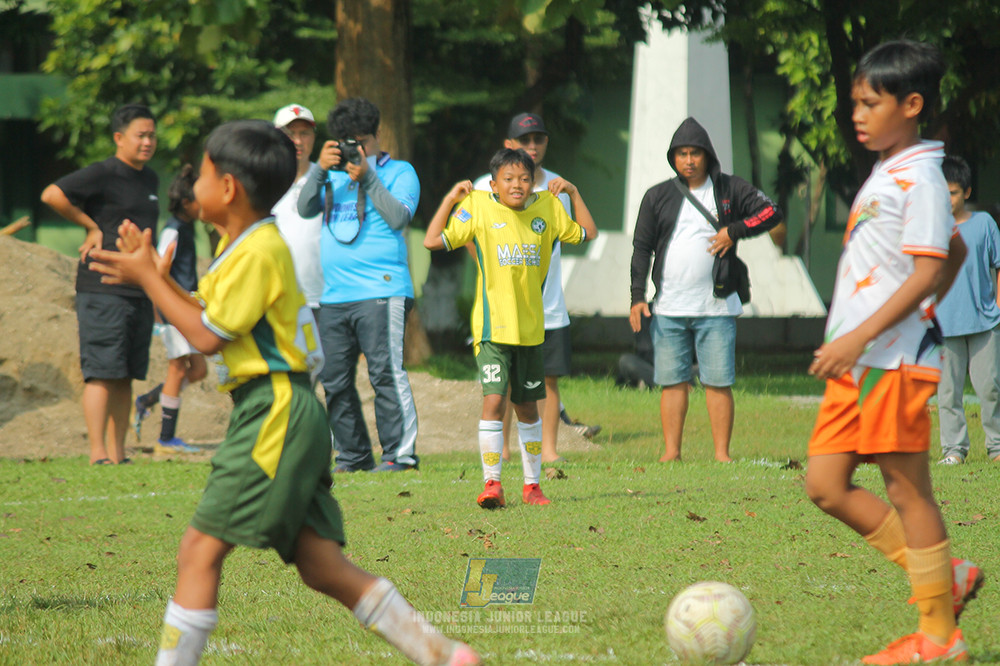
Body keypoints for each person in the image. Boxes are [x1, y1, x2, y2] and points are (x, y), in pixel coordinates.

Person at [88, 120, 480, 666]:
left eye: (201, 171)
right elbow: (208, 312)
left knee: (198, 550)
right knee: (322, 566)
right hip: (288, 409)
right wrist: (155, 277)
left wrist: (151, 282)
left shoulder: (257, 251)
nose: (192, 183)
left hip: (273, 411)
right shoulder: (242, 245)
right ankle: (443, 654)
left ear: (227, 188)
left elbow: (204, 337)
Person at [803, 40, 982, 664]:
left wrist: (862, 335)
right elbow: (950, 254)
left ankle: (939, 638)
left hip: (891, 365)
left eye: (870, 103)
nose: (857, 114)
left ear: (912, 104)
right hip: (860, 363)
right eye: (855, 102)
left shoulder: (923, 178)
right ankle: (946, 578)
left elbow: (930, 267)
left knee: (909, 494)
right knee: (825, 485)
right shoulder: (889, 170)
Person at [424, 148, 598, 508]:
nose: (517, 185)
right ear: (494, 184)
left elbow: (589, 233)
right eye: (508, 179)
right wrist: (449, 201)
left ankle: (532, 486)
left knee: (528, 409)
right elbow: (431, 241)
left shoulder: (548, 208)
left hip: (532, 331)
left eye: (524, 178)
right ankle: (492, 484)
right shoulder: (479, 207)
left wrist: (574, 194)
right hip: (491, 330)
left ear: (534, 181)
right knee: (493, 400)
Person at [629, 116, 782, 463]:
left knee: (718, 382)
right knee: (671, 382)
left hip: (717, 307)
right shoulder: (657, 196)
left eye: (695, 153)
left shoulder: (729, 189)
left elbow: (772, 211)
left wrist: (735, 231)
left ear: (707, 155)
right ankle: (672, 452)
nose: (689, 160)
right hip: (668, 307)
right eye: (681, 153)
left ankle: (722, 455)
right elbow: (641, 248)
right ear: (674, 158)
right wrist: (637, 298)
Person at [298, 98, 420, 473]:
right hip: (335, 294)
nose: (356, 148)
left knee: (384, 373)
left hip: (382, 289)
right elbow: (304, 208)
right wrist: (319, 169)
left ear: (378, 135)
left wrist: (367, 175)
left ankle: (400, 455)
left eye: (362, 140)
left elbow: (399, 217)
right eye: (347, 141)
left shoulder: (400, 171)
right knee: (333, 378)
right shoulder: (330, 175)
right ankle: (352, 455)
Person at [473, 112, 601, 464]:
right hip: (503, 308)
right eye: (524, 140)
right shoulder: (487, 185)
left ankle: (549, 450)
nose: (532, 146)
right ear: (508, 145)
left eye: (538, 139)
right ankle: (501, 449)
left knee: (547, 381)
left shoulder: (557, 186)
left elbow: (585, 233)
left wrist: (573, 193)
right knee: (505, 386)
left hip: (548, 304)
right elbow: (469, 233)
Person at [40, 103, 160, 466]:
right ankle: (97, 453)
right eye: (141, 135)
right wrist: (91, 226)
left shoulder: (150, 179)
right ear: (119, 138)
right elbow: (52, 194)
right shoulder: (103, 173)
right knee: (102, 372)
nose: (148, 142)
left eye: (152, 135)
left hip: (137, 289)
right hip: (102, 286)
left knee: (125, 374)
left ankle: (119, 454)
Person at [133, 165, 208, 454]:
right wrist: (158, 313)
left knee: (198, 369)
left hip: (186, 307)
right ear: (187, 203)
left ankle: (147, 401)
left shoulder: (187, 228)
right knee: (178, 368)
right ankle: (166, 438)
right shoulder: (173, 231)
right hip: (172, 310)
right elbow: (156, 270)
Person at [935, 155, 1000, 465]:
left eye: (952, 193)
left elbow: (998, 266)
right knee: (947, 393)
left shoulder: (984, 224)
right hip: (945, 325)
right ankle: (953, 449)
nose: (946, 199)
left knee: (990, 388)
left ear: (967, 192)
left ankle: (997, 447)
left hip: (984, 324)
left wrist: (998, 307)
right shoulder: (931, 229)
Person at [272, 103, 324, 312]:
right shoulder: (264, 181)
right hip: (275, 298)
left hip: (320, 298)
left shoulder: (327, 179)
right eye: (290, 133)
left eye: (305, 133)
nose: (298, 141)